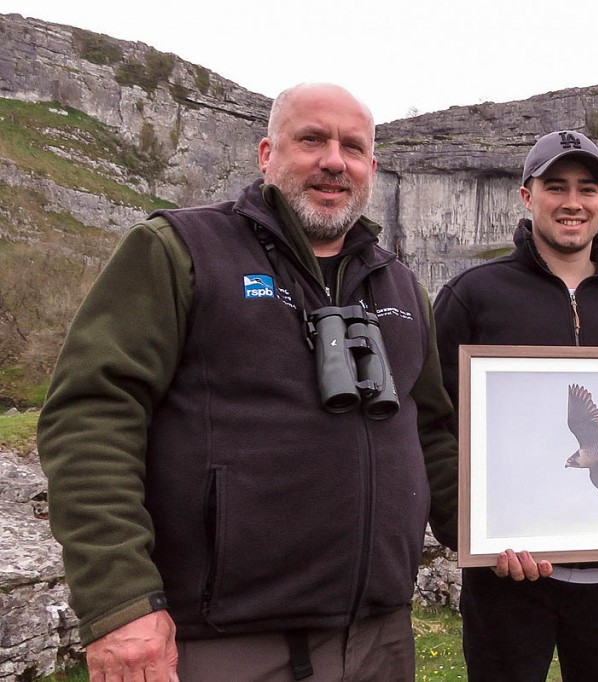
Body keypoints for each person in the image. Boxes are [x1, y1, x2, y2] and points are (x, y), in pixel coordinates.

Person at [36, 83, 459, 682]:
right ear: (267, 154)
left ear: (372, 167)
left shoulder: (401, 286)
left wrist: (500, 530)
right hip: (224, 642)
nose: (334, 160)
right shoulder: (178, 250)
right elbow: (92, 415)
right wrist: (119, 603)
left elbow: (431, 434)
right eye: (311, 139)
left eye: (353, 147)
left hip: (377, 639)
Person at [433, 130, 598, 681]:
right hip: (506, 579)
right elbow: (431, 423)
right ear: (527, 196)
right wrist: (470, 529)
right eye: (556, 186)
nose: (573, 202)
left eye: (587, 188)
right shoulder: (472, 295)